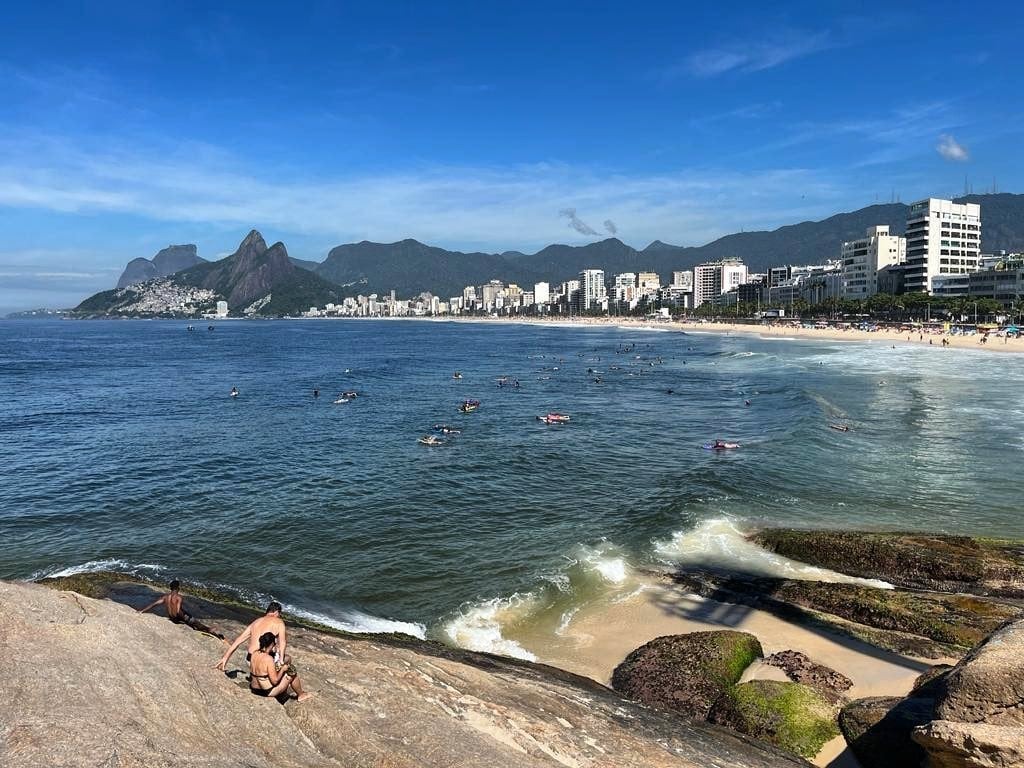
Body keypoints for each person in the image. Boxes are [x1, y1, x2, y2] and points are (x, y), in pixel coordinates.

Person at [215, 601, 287, 671]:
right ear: (276, 612)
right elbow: (283, 642)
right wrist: (281, 661)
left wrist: (225, 658)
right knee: (287, 659)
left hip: (249, 660)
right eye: (279, 614)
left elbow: (238, 640)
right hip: (263, 662)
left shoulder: (256, 622)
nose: (279, 616)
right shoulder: (279, 622)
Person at [138, 580, 224, 638]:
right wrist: (186, 619)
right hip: (178, 617)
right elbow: (178, 611)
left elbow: (154, 604)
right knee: (196, 623)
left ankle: (199, 626)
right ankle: (210, 630)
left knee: (188, 615)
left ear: (171, 588)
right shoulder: (179, 597)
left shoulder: (165, 597)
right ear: (178, 588)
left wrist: (142, 611)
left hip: (171, 618)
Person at [250, 632, 313, 702]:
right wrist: (282, 670)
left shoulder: (254, 653)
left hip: (254, 688)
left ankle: (284, 694)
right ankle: (301, 695)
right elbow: (275, 681)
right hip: (266, 691)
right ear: (271, 644)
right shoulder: (268, 659)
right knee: (291, 674)